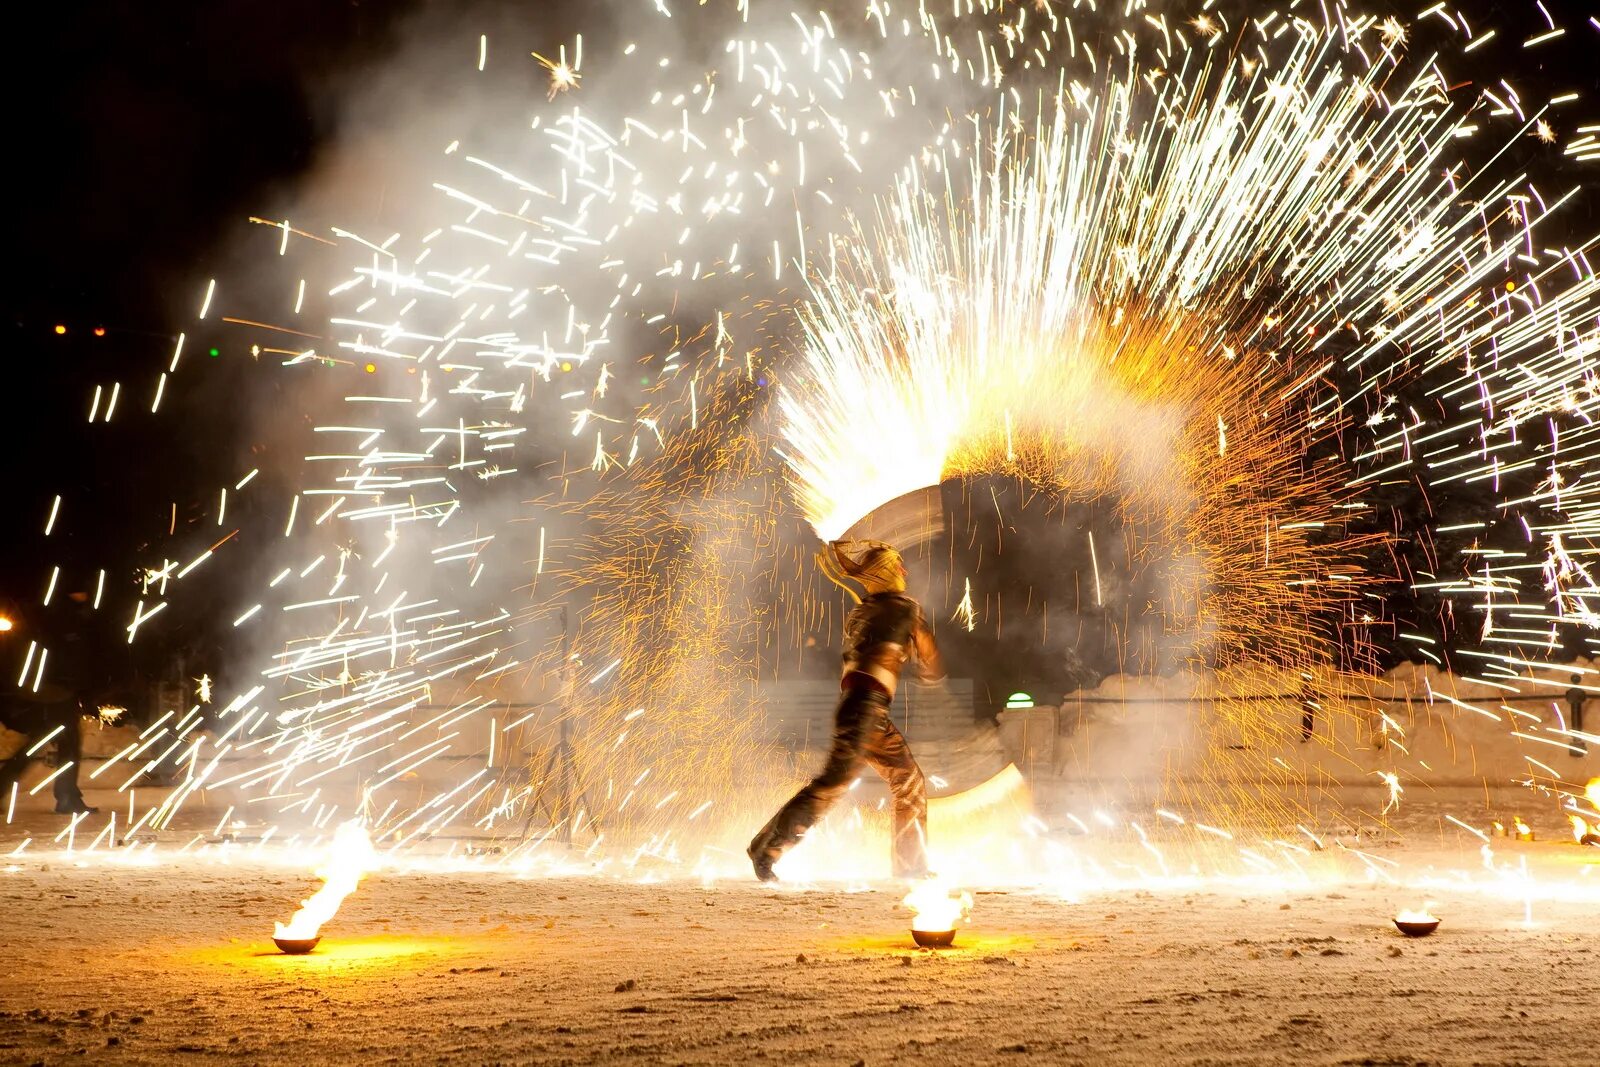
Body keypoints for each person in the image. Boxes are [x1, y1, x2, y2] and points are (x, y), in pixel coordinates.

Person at [748, 540, 944, 881]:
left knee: (907, 781)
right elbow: (929, 655)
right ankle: (765, 850)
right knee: (832, 784)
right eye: (898, 566)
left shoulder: (862, 612)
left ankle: (911, 867)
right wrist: (929, 666)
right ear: (886, 573)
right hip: (865, 709)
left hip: (864, 709)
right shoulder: (904, 607)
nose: (905, 572)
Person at [1566, 674, 1588, 756]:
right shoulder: (1580, 691)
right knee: (1577, 725)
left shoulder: (1570, 691)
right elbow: (1583, 698)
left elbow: (1568, 698)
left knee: (1575, 725)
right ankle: (1577, 741)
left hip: (1575, 710)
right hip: (1577, 710)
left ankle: (1576, 741)